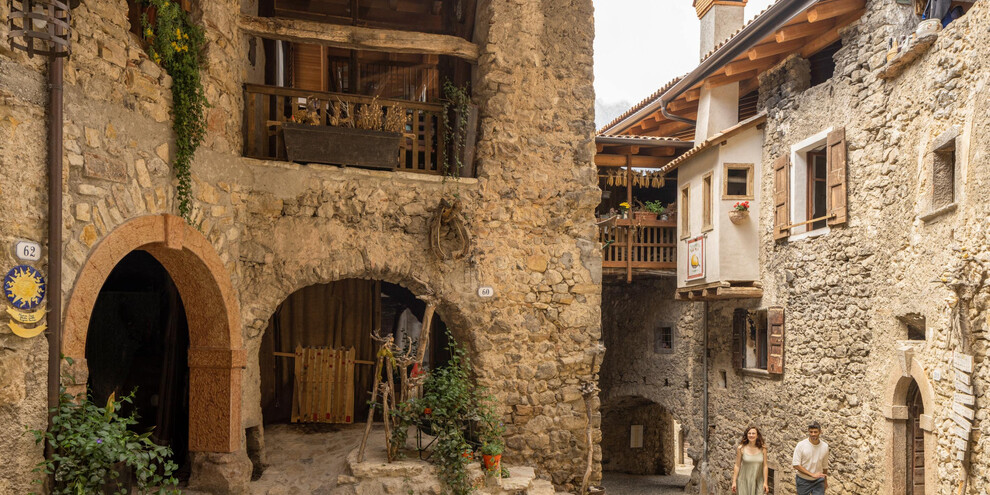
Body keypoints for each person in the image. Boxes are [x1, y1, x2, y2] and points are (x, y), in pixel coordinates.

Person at [793, 422, 829, 495]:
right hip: (803, 480)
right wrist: (812, 474)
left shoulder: (825, 446)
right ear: (808, 432)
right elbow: (796, 464)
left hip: (819, 480)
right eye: (811, 432)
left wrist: (825, 481)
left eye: (815, 432)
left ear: (820, 432)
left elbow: (825, 465)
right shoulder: (801, 445)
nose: (813, 434)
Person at [732, 426, 769, 494]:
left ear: (757, 435)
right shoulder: (741, 448)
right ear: (746, 435)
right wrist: (734, 481)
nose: (751, 435)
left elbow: (765, 466)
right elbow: (737, 465)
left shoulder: (763, 449)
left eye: (753, 433)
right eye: (749, 433)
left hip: (759, 481)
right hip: (744, 481)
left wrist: (765, 482)